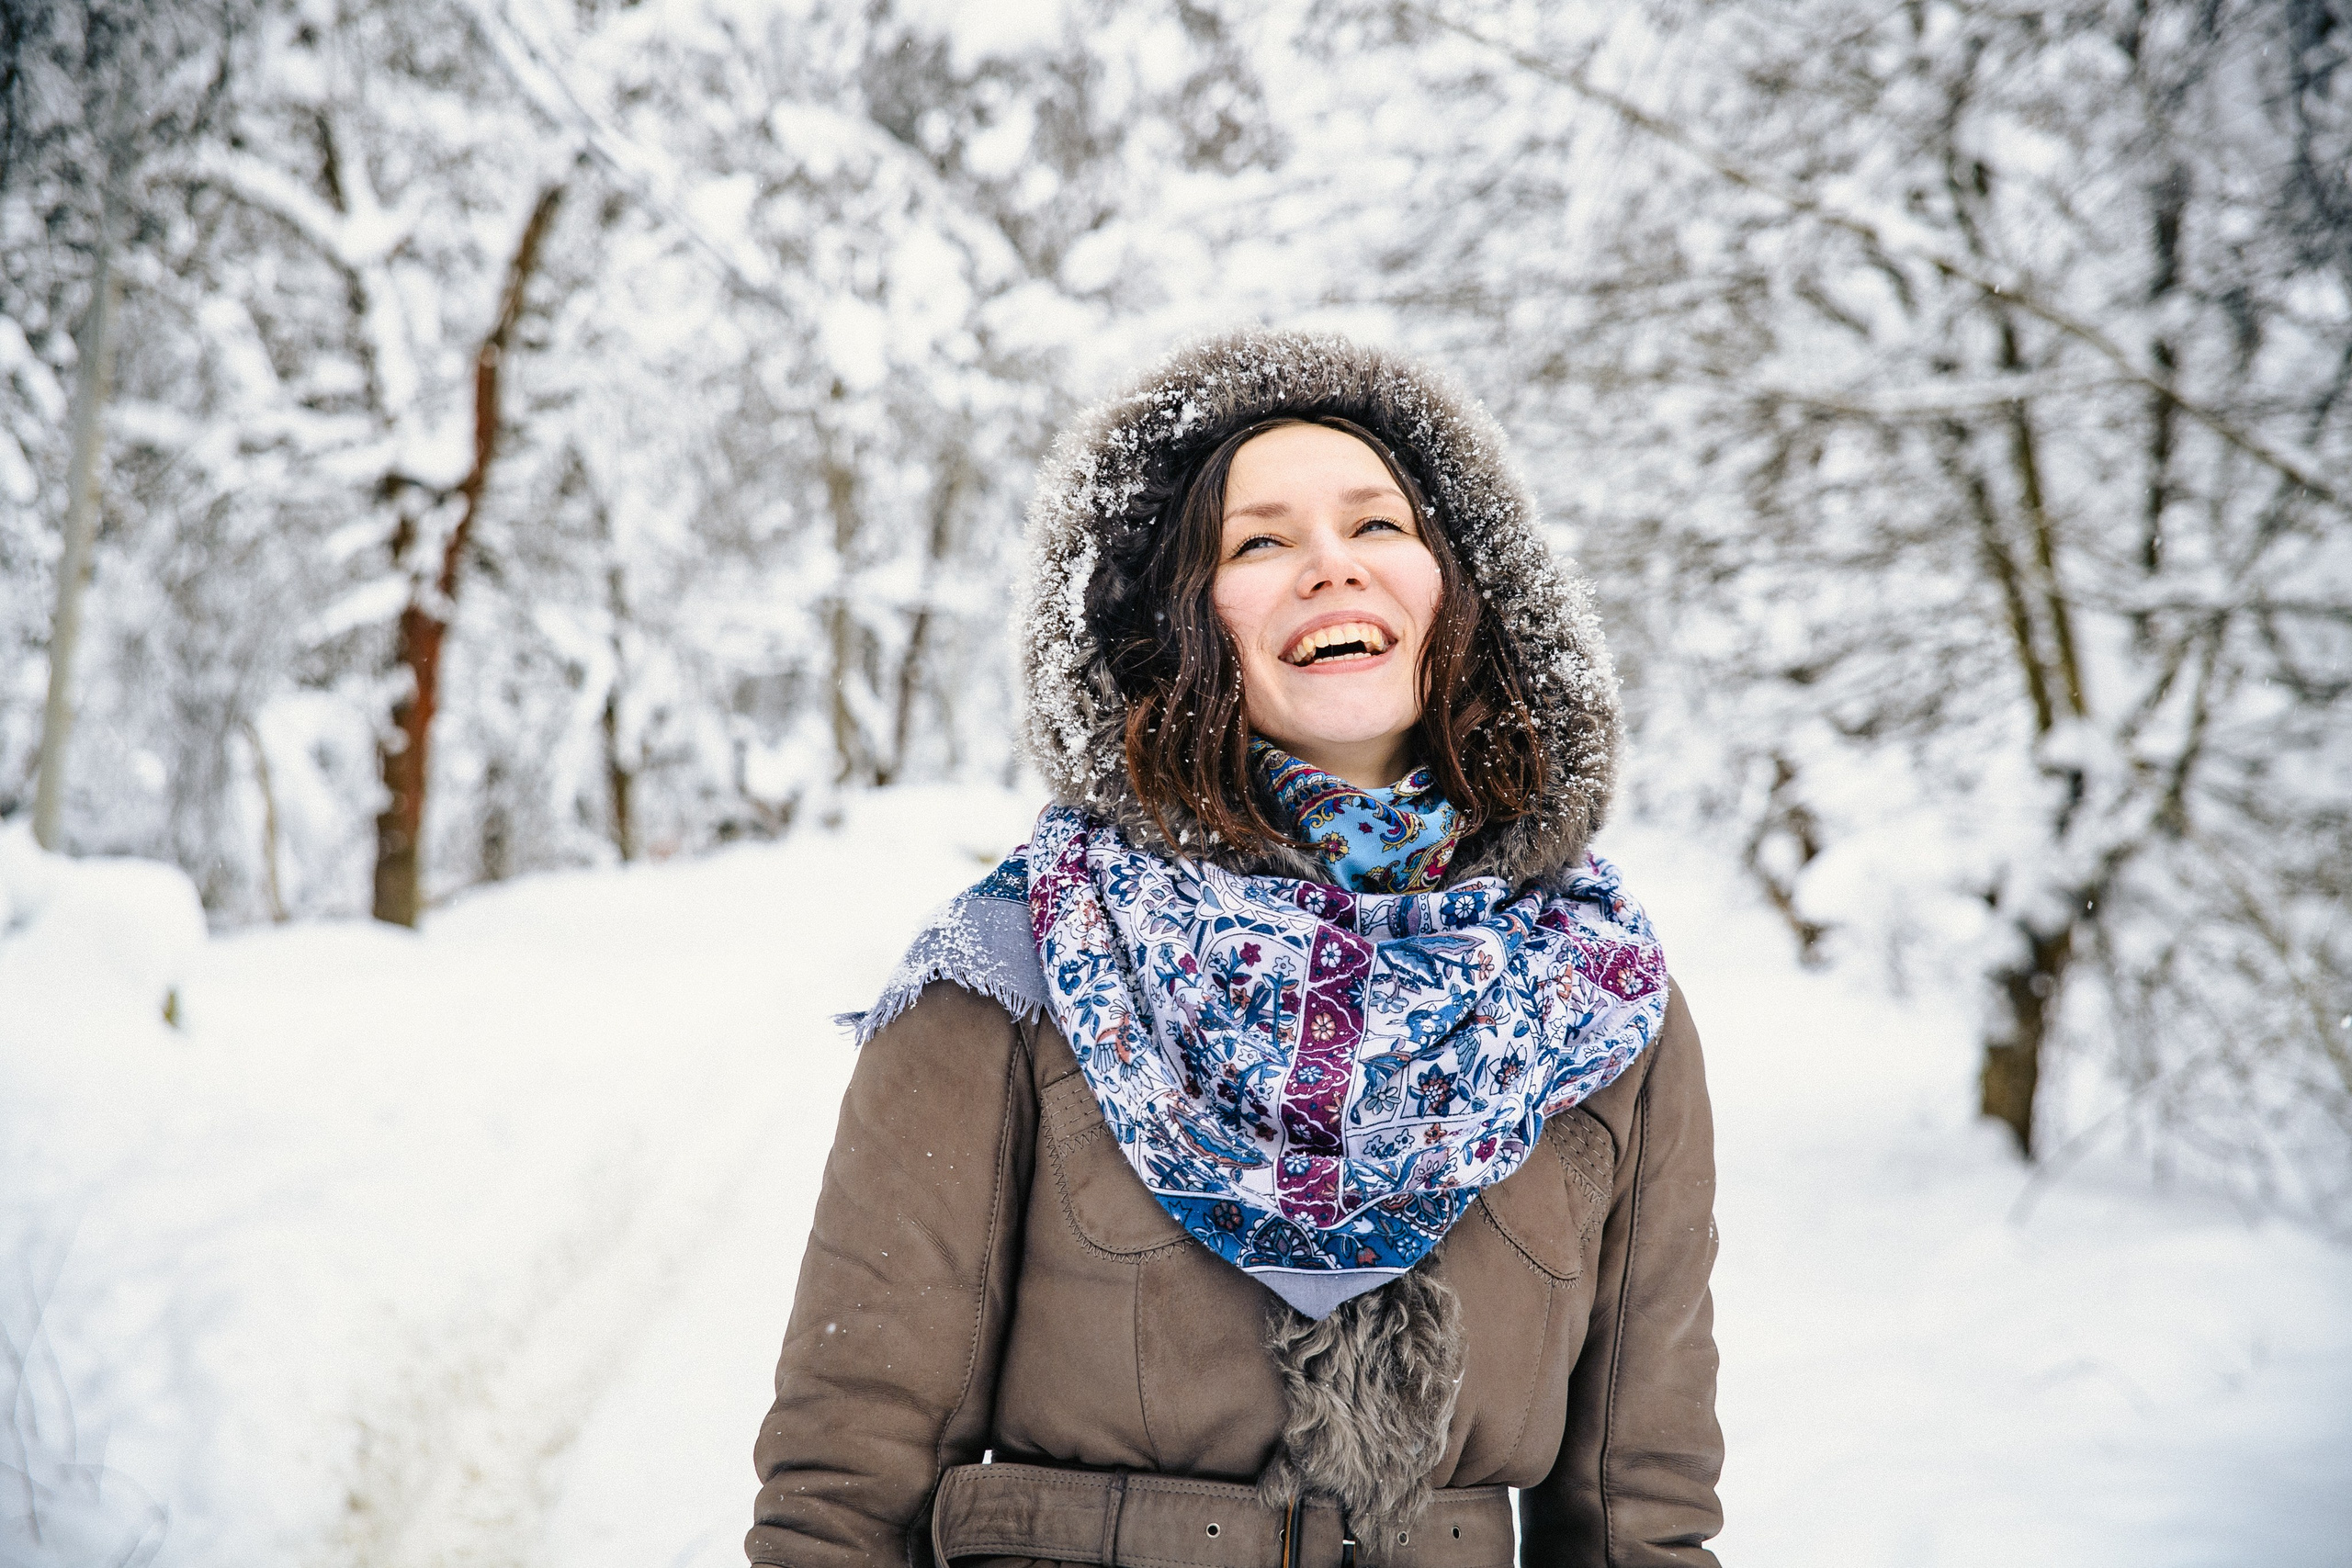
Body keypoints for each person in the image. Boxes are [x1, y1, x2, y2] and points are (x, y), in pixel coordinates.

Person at [749, 331, 1723, 1568]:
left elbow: (1646, 1512)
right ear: (1173, 625)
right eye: (1259, 542)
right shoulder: (1017, 964)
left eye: (1379, 526)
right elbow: (844, 1489)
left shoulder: (1600, 999)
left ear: (1463, 588)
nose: (1331, 566)